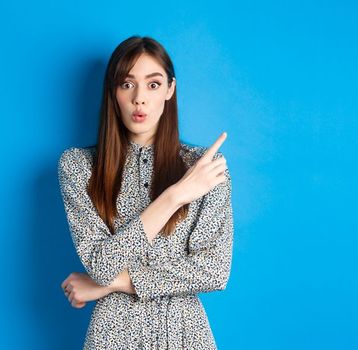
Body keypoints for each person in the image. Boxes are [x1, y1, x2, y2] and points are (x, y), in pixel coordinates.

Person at [57, 35, 234, 349]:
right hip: (113, 336)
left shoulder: (205, 167)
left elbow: (213, 271)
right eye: (127, 84)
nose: (140, 98)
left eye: (153, 84)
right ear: (113, 93)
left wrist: (110, 285)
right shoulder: (79, 167)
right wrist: (174, 196)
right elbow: (101, 265)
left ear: (170, 90)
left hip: (184, 334)